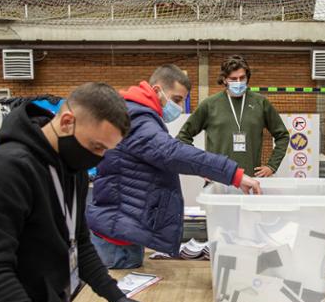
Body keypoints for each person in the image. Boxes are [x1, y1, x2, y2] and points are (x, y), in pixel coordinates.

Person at [0, 83, 147, 302]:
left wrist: (116, 297)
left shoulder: (73, 167)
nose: (99, 159)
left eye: (106, 150)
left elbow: (80, 242)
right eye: (95, 147)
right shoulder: (9, 169)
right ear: (66, 122)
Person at [87, 65, 261, 269]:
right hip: (115, 237)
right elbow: (170, 153)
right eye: (177, 99)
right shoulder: (136, 118)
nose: (178, 107)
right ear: (156, 90)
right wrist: (234, 174)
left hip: (123, 229)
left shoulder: (134, 113)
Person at [177, 55, 289, 177]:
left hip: (251, 179)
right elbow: (183, 138)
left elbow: (282, 135)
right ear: (224, 79)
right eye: (233, 79)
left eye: (242, 78)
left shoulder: (260, 103)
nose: (238, 82)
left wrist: (272, 166)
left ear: (247, 77)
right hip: (218, 180)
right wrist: (202, 166)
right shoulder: (209, 105)